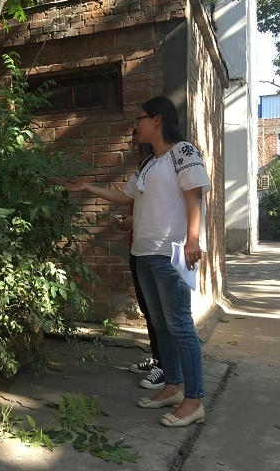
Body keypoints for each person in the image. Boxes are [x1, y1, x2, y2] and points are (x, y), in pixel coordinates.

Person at [66, 96, 210, 427]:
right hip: (143, 253)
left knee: (180, 325)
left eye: (140, 118)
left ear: (157, 119)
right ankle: (172, 386)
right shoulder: (148, 164)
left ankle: (193, 400)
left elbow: (194, 197)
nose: (136, 125)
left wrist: (192, 241)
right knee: (160, 324)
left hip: (169, 254)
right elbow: (125, 196)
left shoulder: (183, 152)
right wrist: (88, 186)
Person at [117, 133, 164, 391]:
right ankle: (158, 358)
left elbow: (161, 211)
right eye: (133, 144)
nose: (134, 149)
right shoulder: (142, 170)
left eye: (137, 144)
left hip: (156, 252)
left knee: (161, 313)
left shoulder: (162, 167)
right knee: (148, 309)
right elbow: (126, 198)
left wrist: (134, 222)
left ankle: (165, 367)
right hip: (138, 248)